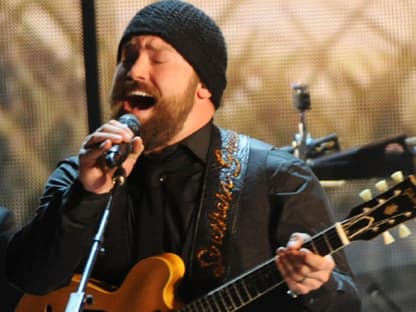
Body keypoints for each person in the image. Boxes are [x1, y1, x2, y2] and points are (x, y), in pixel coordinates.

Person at [6, 1, 361, 311]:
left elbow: (346, 304)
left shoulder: (276, 179)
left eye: (156, 58)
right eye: (126, 59)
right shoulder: (79, 176)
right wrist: (86, 196)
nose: (133, 71)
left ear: (203, 85)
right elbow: (27, 279)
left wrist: (319, 284)